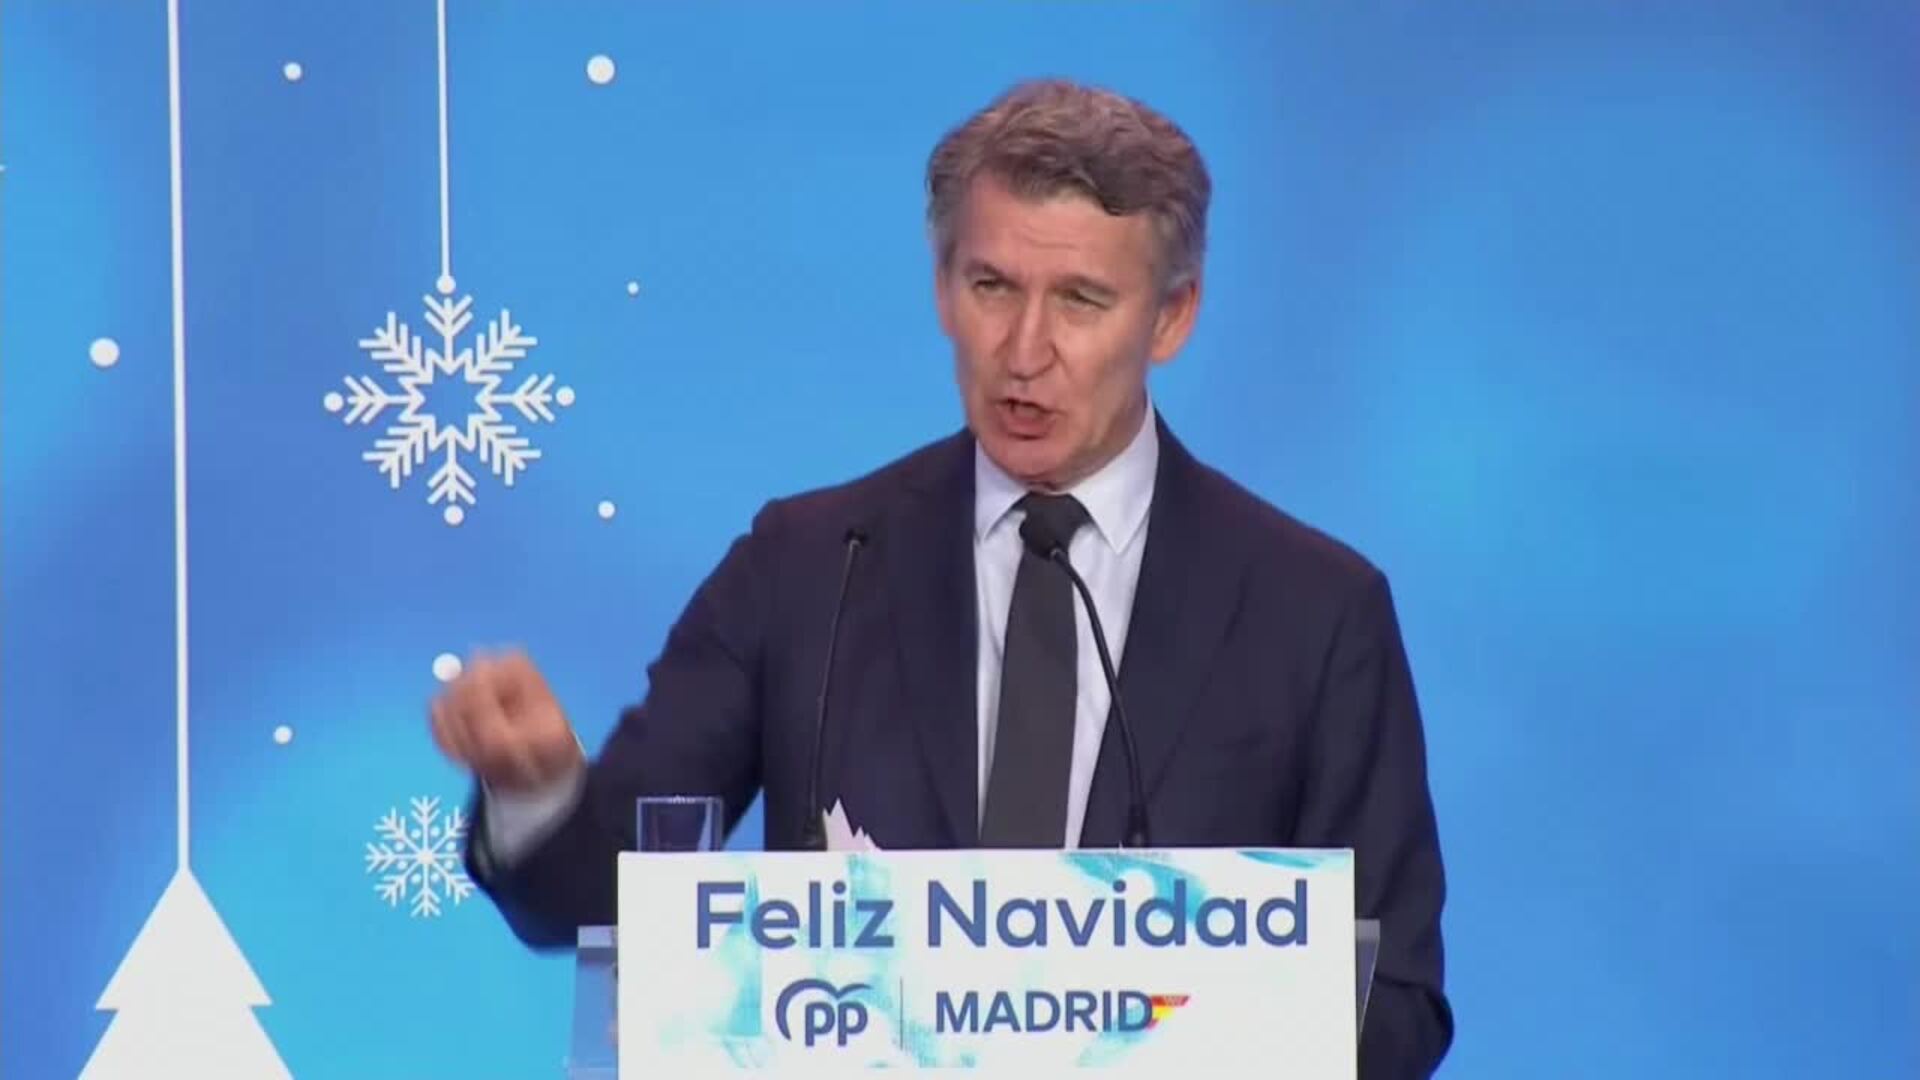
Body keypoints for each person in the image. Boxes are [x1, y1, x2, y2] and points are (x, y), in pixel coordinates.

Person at [431, 77, 1452, 1077]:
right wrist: (537, 789)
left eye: (1081, 300)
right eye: (992, 286)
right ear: (941, 288)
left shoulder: (1314, 611)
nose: (1024, 350)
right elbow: (600, 901)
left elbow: (1396, 1006)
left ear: (1172, 317)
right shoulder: (808, 566)